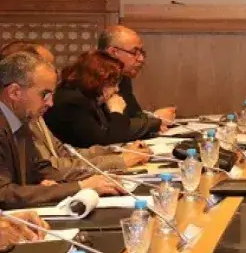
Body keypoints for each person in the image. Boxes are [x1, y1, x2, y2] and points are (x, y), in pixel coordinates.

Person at [0, 42, 149, 179]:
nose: (51, 103)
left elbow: (64, 153)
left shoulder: (31, 115)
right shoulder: (64, 102)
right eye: (44, 64)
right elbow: (49, 170)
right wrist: (118, 161)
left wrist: (118, 151)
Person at [0, 52, 121, 209]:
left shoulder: (20, 120)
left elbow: (40, 170)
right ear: (14, 92)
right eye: (45, 95)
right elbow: (3, 194)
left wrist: (95, 180)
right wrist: (80, 187)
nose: (50, 103)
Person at [44, 51, 137, 147]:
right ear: (98, 80)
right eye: (112, 83)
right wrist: (117, 112)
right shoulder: (72, 103)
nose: (117, 89)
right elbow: (105, 143)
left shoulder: (91, 99)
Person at [98, 25, 175, 139]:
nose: (141, 59)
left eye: (141, 52)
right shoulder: (93, 81)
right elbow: (114, 130)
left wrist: (152, 121)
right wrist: (156, 121)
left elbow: (134, 115)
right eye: (134, 52)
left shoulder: (123, 77)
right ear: (113, 52)